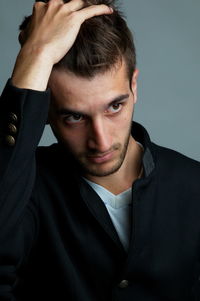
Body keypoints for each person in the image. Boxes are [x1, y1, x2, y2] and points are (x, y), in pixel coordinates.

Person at [0, 0, 200, 300]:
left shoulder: (194, 185)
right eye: (74, 117)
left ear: (134, 86)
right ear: (46, 112)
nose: (101, 141)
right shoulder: (24, 189)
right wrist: (36, 56)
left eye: (114, 107)